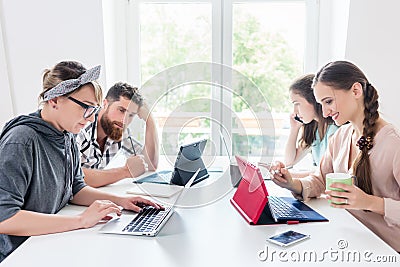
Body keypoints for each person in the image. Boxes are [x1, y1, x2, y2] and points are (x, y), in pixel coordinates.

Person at [0, 61, 162, 262]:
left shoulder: (66, 135)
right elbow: (4, 217)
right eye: (86, 107)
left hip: (47, 242)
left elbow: (75, 188)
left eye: (94, 110)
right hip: (18, 255)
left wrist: (121, 201)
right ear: (55, 100)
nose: (91, 118)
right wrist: (80, 220)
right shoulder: (21, 141)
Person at [270, 60, 400, 252]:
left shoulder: (393, 143)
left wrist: (369, 202)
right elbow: (320, 180)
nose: (325, 112)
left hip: (385, 248)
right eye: (321, 104)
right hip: (350, 238)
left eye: (328, 101)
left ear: (356, 91)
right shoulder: (341, 136)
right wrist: (291, 183)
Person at [76, 82, 159, 187]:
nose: (125, 120)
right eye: (121, 110)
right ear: (105, 104)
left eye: (131, 115)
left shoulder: (119, 130)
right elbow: (72, 177)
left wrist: (150, 119)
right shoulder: (81, 126)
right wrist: (124, 171)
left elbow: (150, 164)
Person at [284, 74, 339, 176]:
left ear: (314, 100)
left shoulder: (334, 130)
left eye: (297, 104)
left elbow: (327, 172)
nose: (294, 111)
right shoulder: (314, 129)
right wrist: (294, 129)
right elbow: (289, 161)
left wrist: (290, 175)